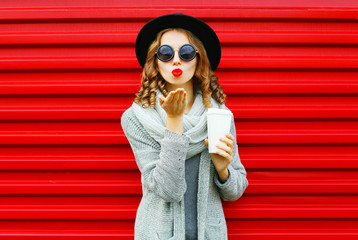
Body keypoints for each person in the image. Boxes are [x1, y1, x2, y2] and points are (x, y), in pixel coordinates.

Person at [121, 13, 248, 240]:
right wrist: (174, 121)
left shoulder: (219, 115)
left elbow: (236, 191)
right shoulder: (136, 118)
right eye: (166, 53)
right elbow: (168, 189)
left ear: (198, 59)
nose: (176, 61)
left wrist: (223, 170)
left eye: (186, 53)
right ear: (156, 62)